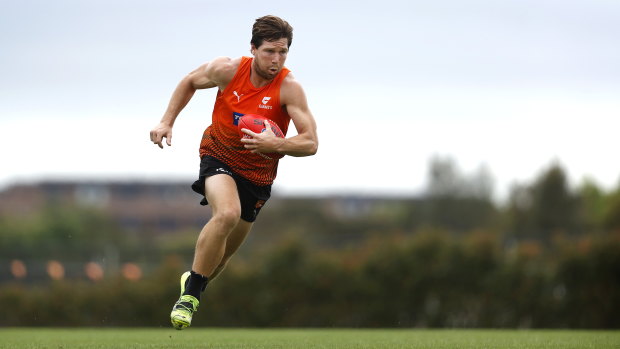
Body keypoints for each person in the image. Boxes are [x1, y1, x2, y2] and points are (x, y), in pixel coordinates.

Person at [149, 15, 318, 330]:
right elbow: (189, 80)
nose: (276, 59)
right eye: (269, 51)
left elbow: (310, 142)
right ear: (253, 49)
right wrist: (166, 121)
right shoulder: (226, 70)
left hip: (258, 176)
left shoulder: (289, 88)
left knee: (222, 257)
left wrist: (276, 144)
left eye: (283, 52)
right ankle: (190, 296)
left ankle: (194, 280)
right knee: (226, 214)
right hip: (219, 155)